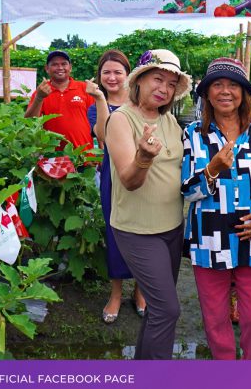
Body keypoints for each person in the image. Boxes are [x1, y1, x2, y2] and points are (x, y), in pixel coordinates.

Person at [181, 57, 251, 360]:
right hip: (209, 240)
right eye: (217, 84)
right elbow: (187, 190)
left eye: (233, 85)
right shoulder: (194, 135)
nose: (225, 91)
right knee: (215, 320)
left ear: (243, 93)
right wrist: (212, 169)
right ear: (207, 94)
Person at [105, 49, 191, 359]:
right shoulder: (121, 120)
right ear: (139, 80)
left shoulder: (170, 122)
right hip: (138, 231)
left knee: (157, 309)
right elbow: (129, 180)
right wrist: (143, 157)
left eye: (171, 84)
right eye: (158, 79)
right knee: (168, 309)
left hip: (171, 228)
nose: (164, 88)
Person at [85, 49, 146, 323]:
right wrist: (99, 99)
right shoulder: (94, 105)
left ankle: (142, 290)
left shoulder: (141, 101)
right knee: (115, 232)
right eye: (106, 72)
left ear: (128, 75)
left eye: (117, 72)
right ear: (99, 76)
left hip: (146, 175)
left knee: (146, 231)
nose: (111, 77)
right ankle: (116, 293)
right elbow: (102, 136)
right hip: (113, 177)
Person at [25, 50, 95, 151]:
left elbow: (97, 123)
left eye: (64, 64)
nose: (60, 68)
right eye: (54, 64)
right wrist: (39, 98)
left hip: (85, 156)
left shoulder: (84, 88)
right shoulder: (41, 91)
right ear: (47, 69)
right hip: (53, 158)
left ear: (70, 68)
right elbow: (30, 122)